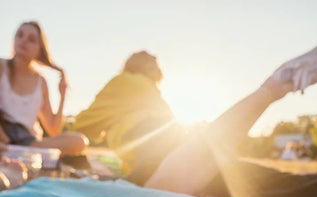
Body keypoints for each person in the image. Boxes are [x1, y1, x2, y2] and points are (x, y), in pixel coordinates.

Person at [145, 45, 317, 197]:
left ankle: (272, 87)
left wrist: (270, 91)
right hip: (183, 169)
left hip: (181, 167)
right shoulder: (147, 97)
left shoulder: (140, 96)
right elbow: (169, 181)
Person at [75, 51, 185, 183]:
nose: (155, 68)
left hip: (151, 147)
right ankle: (148, 173)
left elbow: (84, 123)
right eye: (152, 65)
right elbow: (84, 123)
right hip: (158, 145)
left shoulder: (142, 86)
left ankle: (146, 174)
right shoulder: (127, 82)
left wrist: (106, 124)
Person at [0, 21, 88, 156]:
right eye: (20, 35)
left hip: (29, 142)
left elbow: (53, 129)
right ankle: (19, 152)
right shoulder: (2, 66)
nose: (23, 41)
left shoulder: (41, 82)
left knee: (79, 141)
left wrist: (62, 97)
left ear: (39, 48)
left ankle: (19, 152)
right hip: (3, 133)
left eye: (31, 39)